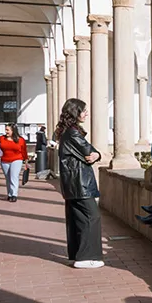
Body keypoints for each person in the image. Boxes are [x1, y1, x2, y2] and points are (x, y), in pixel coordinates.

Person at [55, 98, 106, 269]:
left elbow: (90, 154)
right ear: (75, 112)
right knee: (92, 217)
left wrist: (95, 155)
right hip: (80, 183)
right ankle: (88, 256)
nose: (86, 113)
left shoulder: (66, 132)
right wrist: (97, 155)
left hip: (72, 183)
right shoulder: (73, 133)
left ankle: (77, 254)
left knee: (77, 218)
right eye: (83, 110)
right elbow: (89, 151)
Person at [0, 123, 30, 202]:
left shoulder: (20, 140)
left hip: (17, 159)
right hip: (4, 160)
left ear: (13, 130)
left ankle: (14, 194)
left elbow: (24, 151)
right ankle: (9, 194)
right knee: (8, 178)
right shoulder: (1, 138)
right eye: (6, 130)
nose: (6, 131)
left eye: (8, 130)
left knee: (14, 177)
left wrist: (26, 161)